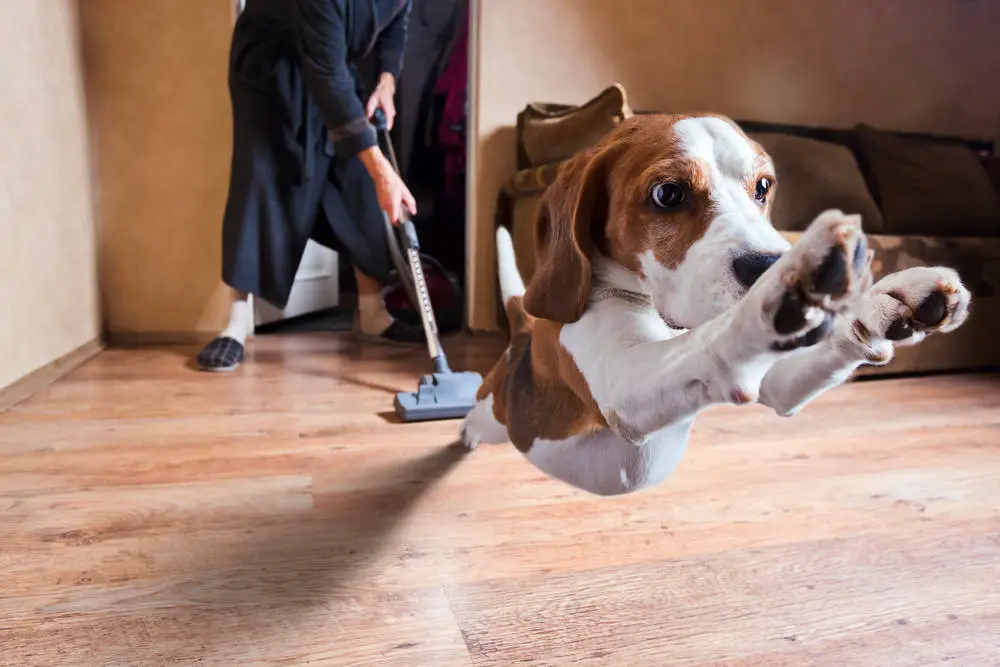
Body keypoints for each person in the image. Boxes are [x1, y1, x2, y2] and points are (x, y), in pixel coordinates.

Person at [197, 0, 425, 372]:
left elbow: (397, 24)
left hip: (329, 58)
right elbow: (328, 77)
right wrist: (383, 171)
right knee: (262, 180)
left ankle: (372, 313)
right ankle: (236, 324)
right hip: (271, 68)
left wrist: (387, 80)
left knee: (357, 178)